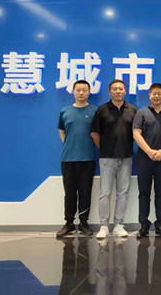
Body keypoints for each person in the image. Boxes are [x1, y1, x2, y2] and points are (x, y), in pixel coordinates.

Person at [90, 79, 137, 239]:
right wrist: (104, 148)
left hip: (126, 157)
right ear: (110, 92)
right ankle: (103, 226)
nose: (118, 91)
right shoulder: (102, 110)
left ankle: (118, 225)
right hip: (107, 158)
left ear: (125, 91)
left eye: (121, 89)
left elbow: (137, 133)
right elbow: (94, 133)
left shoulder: (132, 110)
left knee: (122, 193)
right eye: (115, 89)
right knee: (105, 193)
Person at [133, 83, 161, 238]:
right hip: (144, 159)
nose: (156, 96)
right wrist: (149, 151)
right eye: (154, 94)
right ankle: (143, 225)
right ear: (149, 95)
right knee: (144, 193)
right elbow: (136, 134)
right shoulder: (141, 113)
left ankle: (160, 225)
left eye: (159, 94)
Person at [56, 80, 98, 238]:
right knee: (69, 192)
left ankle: (84, 223)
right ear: (73, 91)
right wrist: (69, 144)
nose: (81, 93)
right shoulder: (65, 111)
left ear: (89, 92)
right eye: (78, 90)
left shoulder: (94, 111)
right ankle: (69, 223)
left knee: (85, 192)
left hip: (87, 158)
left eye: (84, 90)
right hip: (68, 159)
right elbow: (62, 131)